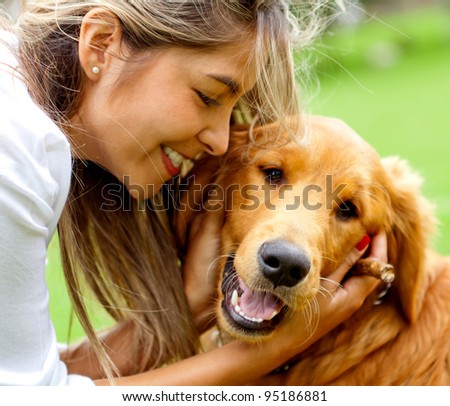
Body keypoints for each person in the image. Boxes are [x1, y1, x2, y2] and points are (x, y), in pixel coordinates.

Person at [0, 0, 385, 386]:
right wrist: (270, 352)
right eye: (207, 96)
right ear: (101, 44)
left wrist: (189, 305)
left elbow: (25, 374)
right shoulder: (14, 149)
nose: (221, 143)